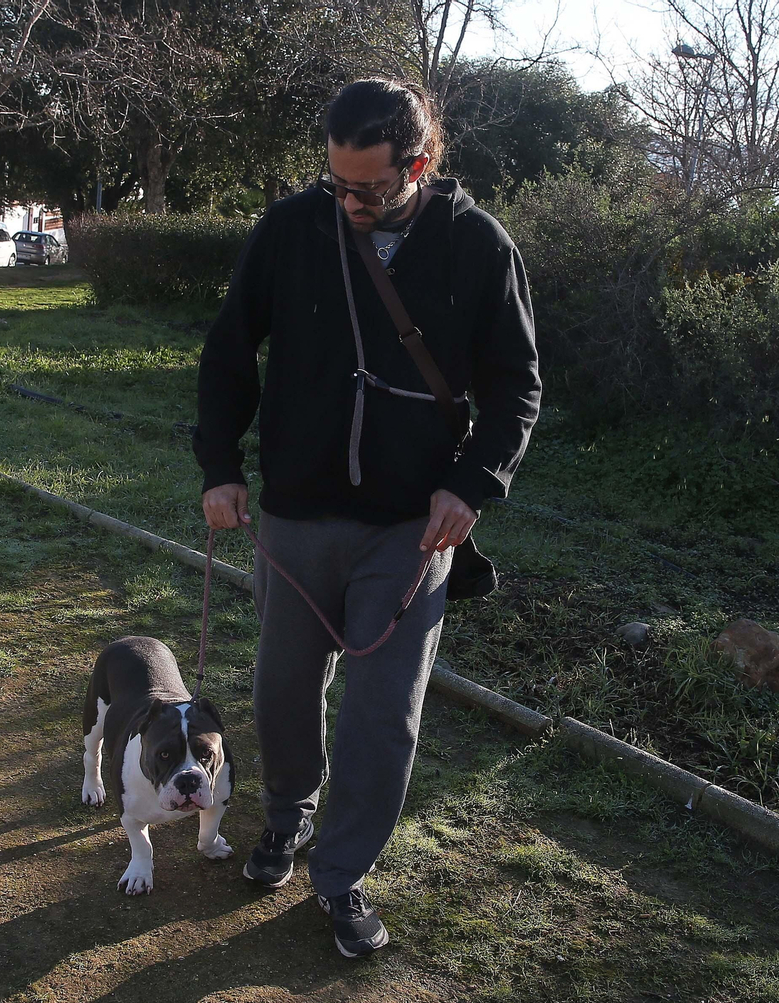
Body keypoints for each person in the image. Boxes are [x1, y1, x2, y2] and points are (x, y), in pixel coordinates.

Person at [193, 78, 540, 958]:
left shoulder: (478, 246)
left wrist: (473, 483)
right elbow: (231, 349)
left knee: (382, 714)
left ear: (418, 165)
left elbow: (516, 389)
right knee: (280, 692)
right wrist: (221, 466)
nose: (349, 202)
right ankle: (287, 818)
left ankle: (341, 875)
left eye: (371, 189)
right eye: (337, 183)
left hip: (411, 528)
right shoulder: (291, 228)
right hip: (296, 514)